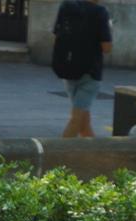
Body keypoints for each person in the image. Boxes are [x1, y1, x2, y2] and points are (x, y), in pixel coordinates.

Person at [52, 0, 113, 138]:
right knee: (76, 120)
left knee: (84, 120)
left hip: (67, 69)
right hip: (90, 73)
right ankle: (58, 155)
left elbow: (56, 37)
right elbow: (107, 48)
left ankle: (95, 154)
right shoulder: (100, 12)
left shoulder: (66, 6)